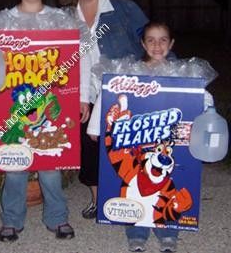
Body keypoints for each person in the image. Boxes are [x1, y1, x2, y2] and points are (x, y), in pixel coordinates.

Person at [0, 0, 75, 242]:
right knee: (14, 168)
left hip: (49, 109)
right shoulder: (0, 22)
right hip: (9, 108)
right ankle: (12, 221)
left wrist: (82, 97)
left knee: (51, 168)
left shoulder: (61, 20)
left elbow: (81, 59)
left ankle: (58, 218)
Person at [88, 21, 214, 252]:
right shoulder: (130, 73)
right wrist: (96, 128)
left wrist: (208, 114)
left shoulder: (184, 74)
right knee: (131, 190)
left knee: (169, 189)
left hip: (168, 149)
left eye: (163, 39)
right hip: (138, 152)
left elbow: (203, 99)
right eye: (151, 40)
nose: (157, 45)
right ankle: (137, 232)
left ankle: (168, 232)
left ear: (172, 43)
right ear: (142, 43)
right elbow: (109, 94)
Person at [57, 0, 148, 219]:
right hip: (85, 92)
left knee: (126, 147)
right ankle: (99, 201)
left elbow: (153, 41)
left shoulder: (123, 8)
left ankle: (131, 199)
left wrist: (176, 77)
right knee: (89, 147)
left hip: (121, 89)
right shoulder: (64, 17)